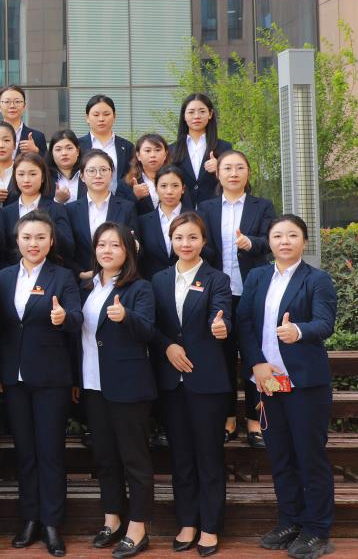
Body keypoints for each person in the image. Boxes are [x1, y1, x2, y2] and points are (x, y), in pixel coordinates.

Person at [237, 215, 337, 559]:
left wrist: (299, 331)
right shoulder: (257, 276)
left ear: (304, 242)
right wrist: (256, 363)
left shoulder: (317, 279)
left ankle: (317, 528)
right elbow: (244, 321)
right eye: (277, 235)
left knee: (310, 457)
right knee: (280, 456)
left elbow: (325, 323)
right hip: (268, 380)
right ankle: (290, 521)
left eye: (292, 235)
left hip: (305, 383)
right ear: (269, 241)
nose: (284, 241)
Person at [0, 211, 83, 556]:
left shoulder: (62, 276)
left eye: (40, 238)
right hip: (14, 378)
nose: (33, 244)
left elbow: (77, 318)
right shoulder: (3, 277)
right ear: (17, 240)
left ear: (51, 241)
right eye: (27, 237)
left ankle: (51, 523)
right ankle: (30, 518)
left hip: (51, 378)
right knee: (25, 452)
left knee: (50, 452)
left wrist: (63, 318)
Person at [150, 212, 232, 556]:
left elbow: (222, 314)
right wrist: (167, 345)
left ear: (204, 241)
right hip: (171, 382)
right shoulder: (158, 279)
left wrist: (220, 326)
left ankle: (210, 526)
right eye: (179, 237)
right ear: (171, 241)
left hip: (206, 380)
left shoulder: (218, 279)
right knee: (181, 457)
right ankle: (187, 522)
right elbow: (151, 324)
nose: (186, 244)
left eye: (193, 237)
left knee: (208, 456)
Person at [77, 223, 156, 558]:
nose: (107, 250)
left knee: (134, 458)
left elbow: (149, 331)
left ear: (128, 251)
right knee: (105, 457)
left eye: (115, 245)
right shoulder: (88, 286)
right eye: (101, 244)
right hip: (93, 383)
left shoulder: (140, 287)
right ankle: (112, 518)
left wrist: (126, 317)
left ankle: (138, 527)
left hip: (127, 385)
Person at [197, 149, 276, 446]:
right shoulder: (206, 207)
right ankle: (228, 417)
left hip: (253, 293)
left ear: (248, 172)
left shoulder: (262, 205)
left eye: (239, 167)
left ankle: (256, 421)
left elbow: (270, 241)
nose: (233, 173)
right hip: (220, 296)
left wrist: (249, 243)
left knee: (256, 355)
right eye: (227, 168)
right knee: (223, 358)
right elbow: (202, 245)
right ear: (218, 174)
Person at [66, 150, 139, 279]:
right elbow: (67, 249)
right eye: (91, 171)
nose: (98, 175)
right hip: (81, 280)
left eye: (104, 170)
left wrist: (135, 245)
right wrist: (80, 273)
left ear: (111, 174)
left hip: (118, 279)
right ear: (82, 176)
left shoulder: (127, 207)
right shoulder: (70, 209)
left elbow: (136, 246)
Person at [0, 152, 74, 267]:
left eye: (33, 174)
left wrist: (46, 221)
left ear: (43, 177)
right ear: (14, 177)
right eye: (21, 174)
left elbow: (69, 248)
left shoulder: (57, 208)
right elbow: (1, 252)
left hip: (50, 271)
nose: (26, 180)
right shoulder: (6, 212)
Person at [168, 94, 233, 206]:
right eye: (191, 112)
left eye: (202, 111)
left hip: (214, 208)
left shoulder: (224, 147)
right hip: (182, 209)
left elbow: (234, 178)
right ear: (184, 116)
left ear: (210, 114)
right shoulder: (171, 149)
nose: (196, 116)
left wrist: (220, 168)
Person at [135, 165, 188, 280]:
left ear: (183, 188)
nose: (169, 191)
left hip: (188, 281)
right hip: (152, 283)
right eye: (163, 186)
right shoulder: (143, 222)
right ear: (156, 188)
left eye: (175, 186)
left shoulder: (196, 218)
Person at [0, 85, 46, 169]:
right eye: (7, 102)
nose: (12, 106)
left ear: (24, 106)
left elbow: (48, 167)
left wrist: (36, 151)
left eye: (17, 101)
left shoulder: (37, 136)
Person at [78, 95, 134, 191]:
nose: (101, 119)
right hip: (86, 199)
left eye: (106, 114)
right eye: (96, 115)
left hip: (120, 199)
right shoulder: (77, 146)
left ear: (114, 116)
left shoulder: (127, 147)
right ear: (87, 118)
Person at [123, 134, 175, 217]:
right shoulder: (126, 183)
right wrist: (135, 196)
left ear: (165, 154)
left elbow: (186, 209)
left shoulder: (176, 179)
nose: (153, 155)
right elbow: (119, 212)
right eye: (147, 151)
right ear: (138, 155)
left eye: (157, 150)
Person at [46, 130, 83, 204]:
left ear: (77, 151)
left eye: (69, 148)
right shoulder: (45, 178)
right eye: (58, 149)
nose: (64, 153)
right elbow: (41, 209)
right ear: (52, 153)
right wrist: (57, 201)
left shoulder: (88, 174)